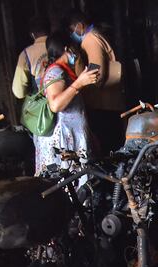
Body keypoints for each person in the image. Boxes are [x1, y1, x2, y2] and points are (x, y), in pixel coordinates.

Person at [33, 32, 99, 175]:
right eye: (73, 48)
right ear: (66, 48)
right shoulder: (56, 71)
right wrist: (79, 83)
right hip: (63, 138)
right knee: (68, 184)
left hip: (70, 135)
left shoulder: (62, 70)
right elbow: (55, 105)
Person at [67, 10, 125, 154]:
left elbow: (97, 75)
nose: (71, 33)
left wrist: (80, 73)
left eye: (71, 29)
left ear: (79, 25)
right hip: (108, 103)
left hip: (103, 105)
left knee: (108, 149)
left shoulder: (91, 39)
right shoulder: (97, 34)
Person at [12, 15, 50, 100]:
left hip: (44, 106)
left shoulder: (25, 54)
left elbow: (19, 92)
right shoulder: (62, 45)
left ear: (32, 35)